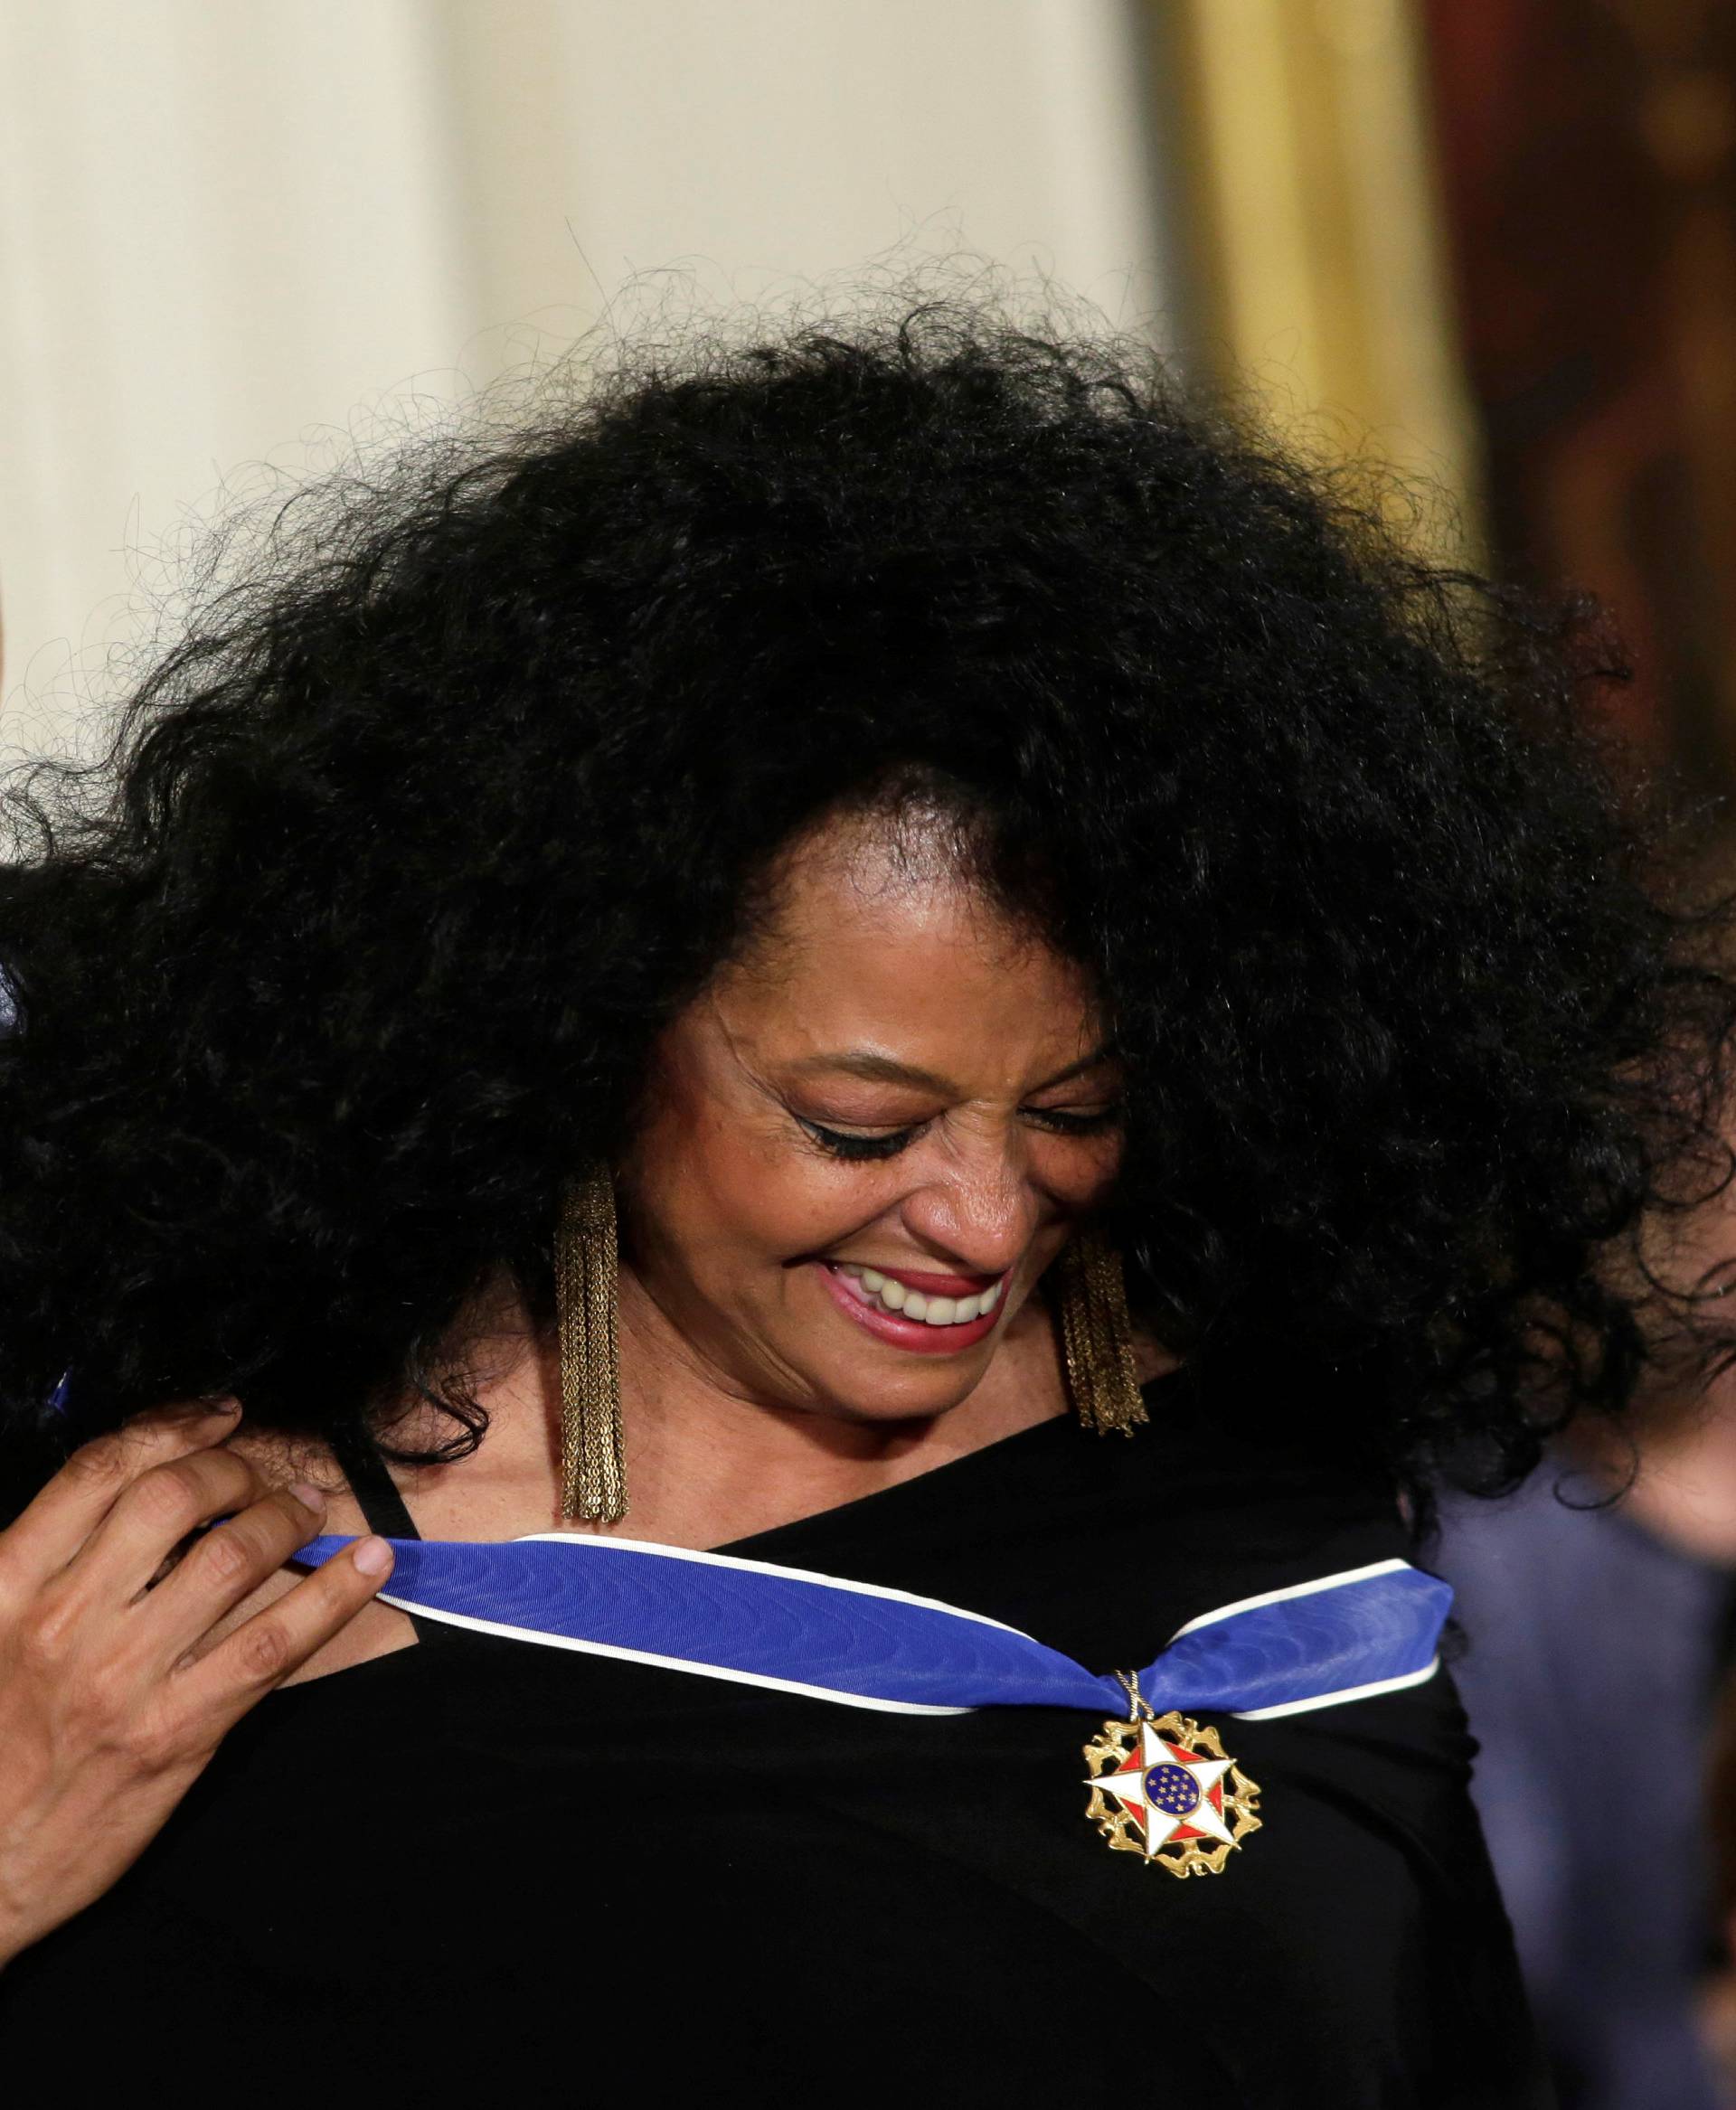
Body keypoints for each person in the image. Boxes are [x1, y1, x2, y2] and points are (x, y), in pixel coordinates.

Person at [0, 293, 1723, 2105]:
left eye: (1074, 1109)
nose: (985, 1222)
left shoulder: (1290, 1526)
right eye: (857, 1121)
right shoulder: (228, 1585)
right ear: (584, 1017)